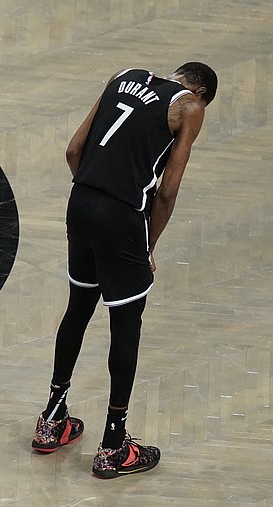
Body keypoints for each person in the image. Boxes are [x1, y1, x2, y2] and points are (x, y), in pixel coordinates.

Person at [31, 63, 218, 479]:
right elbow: (167, 191)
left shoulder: (124, 75)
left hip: (80, 201)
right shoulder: (189, 107)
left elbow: (73, 151)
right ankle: (114, 445)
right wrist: (148, 244)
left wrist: (92, 197)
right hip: (122, 217)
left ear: (177, 72)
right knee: (126, 326)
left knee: (77, 310)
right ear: (201, 92)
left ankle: (52, 420)